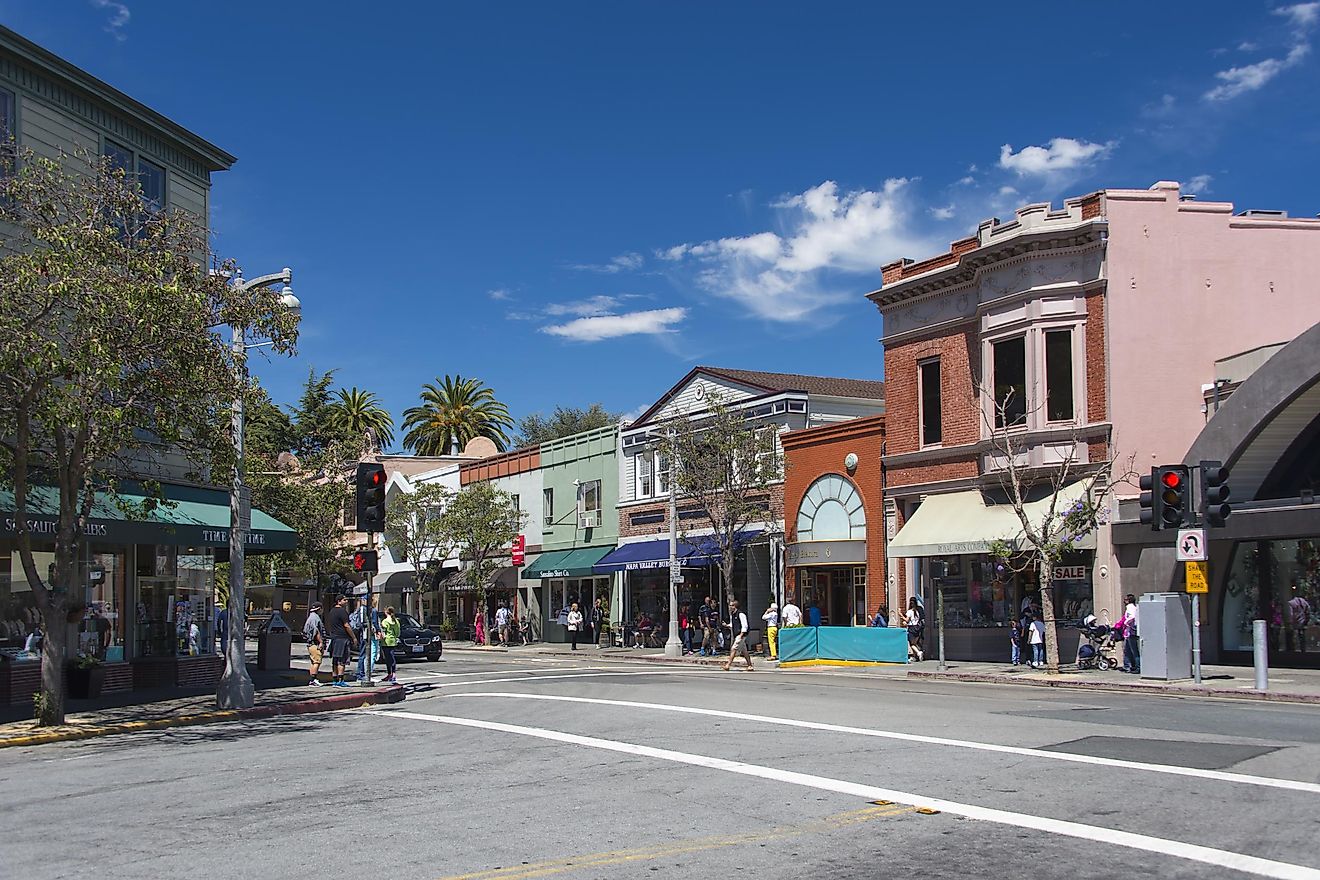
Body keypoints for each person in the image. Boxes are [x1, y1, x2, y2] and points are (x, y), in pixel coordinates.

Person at [325, 595, 355, 688]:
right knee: (342, 660)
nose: (346, 601)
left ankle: (335, 679)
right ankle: (341, 680)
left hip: (334, 638)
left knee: (335, 660)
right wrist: (353, 637)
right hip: (342, 638)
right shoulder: (342, 612)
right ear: (339, 601)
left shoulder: (332, 611)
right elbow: (347, 625)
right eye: (344, 600)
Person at [721, 599, 753, 672]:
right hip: (737, 635)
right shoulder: (732, 615)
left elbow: (745, 626)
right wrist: (727, 625)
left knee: (733, 649)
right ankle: (750, 665)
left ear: (735, 606)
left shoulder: (741, 614)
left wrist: (741, 635)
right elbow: (733, 625)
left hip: (741, 635)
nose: (730, 607)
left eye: (731, 605)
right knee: (744, 651)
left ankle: (728, 665)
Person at [303, 601, 327, 686]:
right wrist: (321, 642)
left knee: (314, 662)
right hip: (315, 644)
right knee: (317, 662)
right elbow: (316, 631)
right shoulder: (315, 618)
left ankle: (313, 679)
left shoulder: (311, 617)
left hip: (311, 643)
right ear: (319, 609)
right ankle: (313, 680)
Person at [380, 606, 401, 684]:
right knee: (392, 657)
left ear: (386, 612)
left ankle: (390, 674)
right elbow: (398, 632)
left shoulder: (384, 621)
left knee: (387, 658)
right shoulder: (396, 621)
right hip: (393, 640)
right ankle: (393, 674)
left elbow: (383, 632)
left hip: (386, 641)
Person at [1288, 584, 1312, 653]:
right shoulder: (1302, 600)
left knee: (1294, 636)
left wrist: (1291, 622)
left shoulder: (1290, 602)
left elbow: (1291, 614)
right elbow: (1308, 608)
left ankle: (1294, 649)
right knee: (1302, 636)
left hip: (1296, 622)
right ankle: (1303, 649)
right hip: (1303, 621)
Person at [1121, 594, 1141, 674]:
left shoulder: (1130, 607)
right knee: (1128, 650)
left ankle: (1138, 667)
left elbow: (1132, 617)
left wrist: (1125, 623)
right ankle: (1129, 666)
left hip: (1131, 632)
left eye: (1125, 599)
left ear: (1128, 600)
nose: (1124, 601)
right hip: (1130, 632)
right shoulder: (1133, 607)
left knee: (1134, 650)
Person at [905, 597, 925, 662]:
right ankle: (914, 656)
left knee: (912, 643)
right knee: (916, 642)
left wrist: (900, 615)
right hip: (918, 628)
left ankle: (919, 653)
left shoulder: (910, 611)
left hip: (911, 628)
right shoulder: (917, 610)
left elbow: (907, 620)